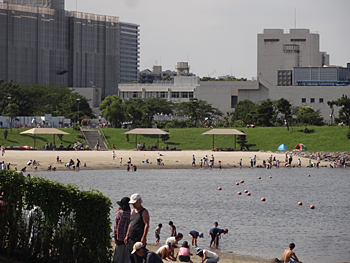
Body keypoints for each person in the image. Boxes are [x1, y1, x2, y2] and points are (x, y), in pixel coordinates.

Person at [125, 193, 150, 263]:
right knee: (131, 257)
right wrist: (127, 236)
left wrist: (144, 237)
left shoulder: (144, 212)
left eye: (134, 203)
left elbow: (146, 225)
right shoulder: (132, 211)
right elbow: (130, 223)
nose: (133, 204)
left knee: (138, 259)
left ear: (139, 201)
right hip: (131, 238)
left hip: (139, 239)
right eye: (132, 203)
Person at [113, 197, 131, 263]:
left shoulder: (119, 213)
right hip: (128, 238)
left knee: (117, 257)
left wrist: (114, 237)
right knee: (127, 257)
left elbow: (115, 226)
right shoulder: (131, 214)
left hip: (119, 238)